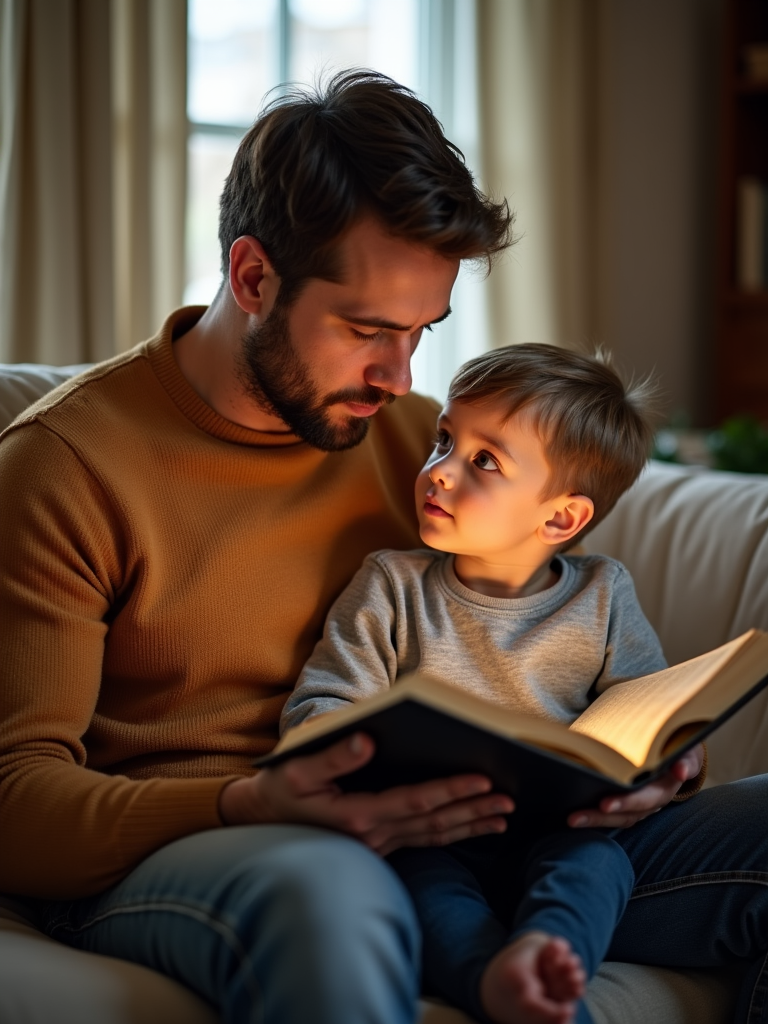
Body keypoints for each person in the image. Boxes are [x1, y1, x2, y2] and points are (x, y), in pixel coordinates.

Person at [0, 68, 765, 1024]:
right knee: (333, 890)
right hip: (215, 845)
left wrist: (652, 765)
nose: (397, 378)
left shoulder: (412, 444)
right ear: (253, 277)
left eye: (420, 334)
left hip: (486, 827)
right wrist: (254, 802)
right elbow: (16, 805)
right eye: (366, 330)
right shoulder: (64, 466)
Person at [282, 344, 767, 1024]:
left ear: (561, 518)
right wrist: (355, 751)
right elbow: (322, 705)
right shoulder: (391, 583)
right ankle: (493, 979)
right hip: (433, 831)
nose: (439, 472)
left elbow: (649, 715)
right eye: (444, 440)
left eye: (483, 461)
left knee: (595, 865)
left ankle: (548, 951)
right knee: (425, 886)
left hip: (562, 829)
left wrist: (675, 764)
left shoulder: (602, 594)